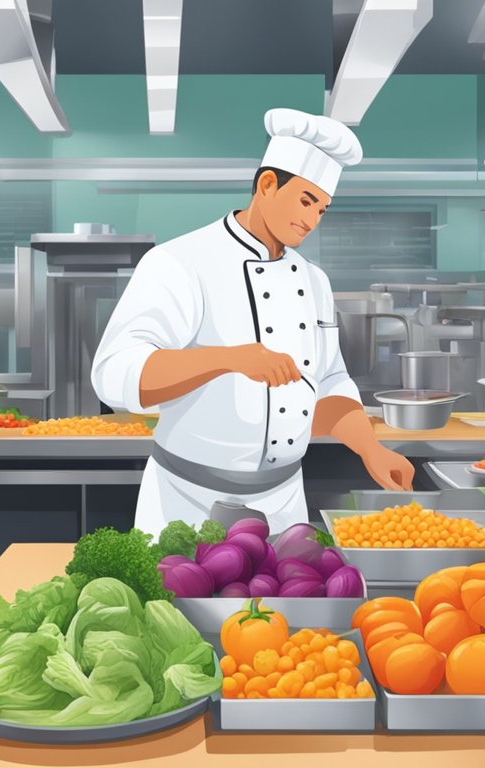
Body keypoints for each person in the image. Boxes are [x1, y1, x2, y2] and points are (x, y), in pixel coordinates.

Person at [91, 108, 415, 535]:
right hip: (187, 504)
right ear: (266, 185)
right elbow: (115, 376)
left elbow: (330, 382)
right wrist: (229, 359)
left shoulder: (315, 281)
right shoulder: (180, 262)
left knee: (278, 605)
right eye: (305, 200)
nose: (312, 220)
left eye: (322, 209)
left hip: (283, 505)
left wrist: (371, 449)